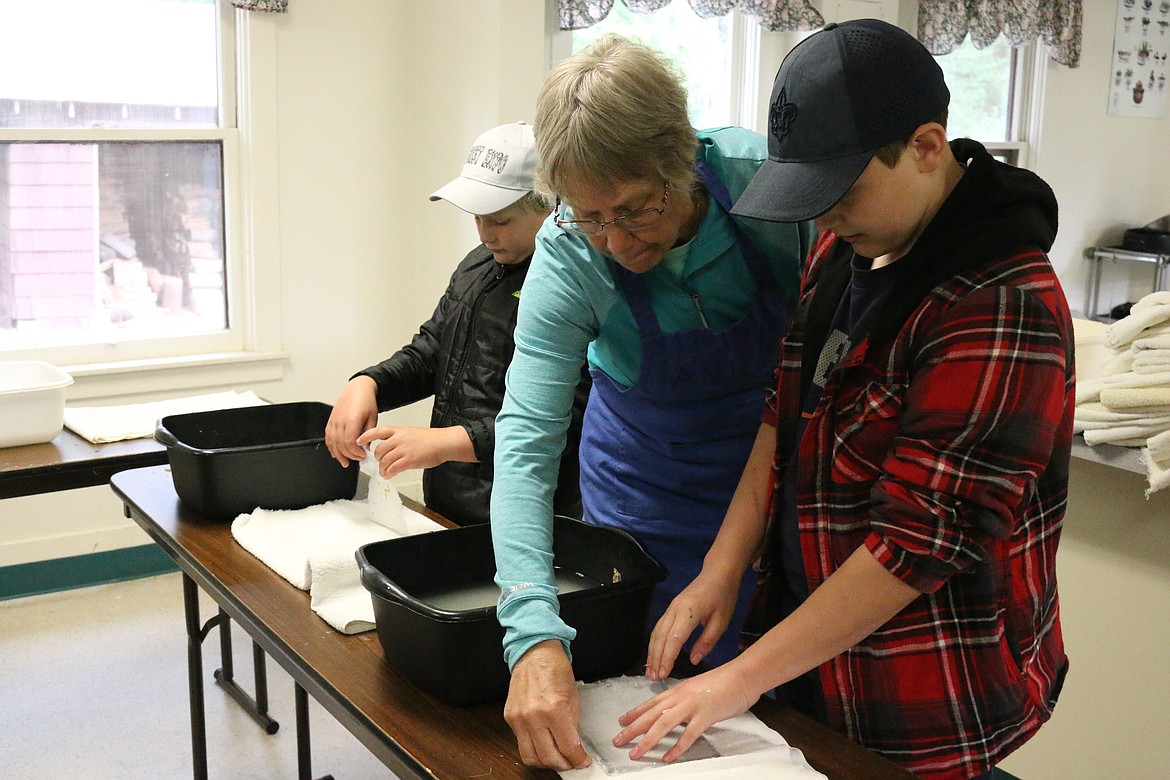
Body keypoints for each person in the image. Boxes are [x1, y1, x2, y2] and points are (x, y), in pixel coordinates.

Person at [614, 19, 1072, 780]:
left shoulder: (1001, 306)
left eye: (841, 192)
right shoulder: (850, 244)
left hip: (926, 685)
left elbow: (912, 547)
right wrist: (722, 569)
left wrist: (736, 678)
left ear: (927, 147)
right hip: (808, 655)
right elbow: (782, 415)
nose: (822, 217)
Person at [490, 35, 813, 771]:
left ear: (681, 161)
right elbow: (526, 442)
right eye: (587, 216)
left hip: (777, 482)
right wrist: (532, 632)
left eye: (632, 210)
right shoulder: (570, 256)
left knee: (781, 721)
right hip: (643, 500)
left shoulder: (769, 189)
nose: (613, 241)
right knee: (651, 717)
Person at [325, 121, 589, 527]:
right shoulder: (478, 265)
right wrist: (369, 383)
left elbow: (568, 415)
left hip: (529, 515)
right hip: (448, 501)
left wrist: (444, 444)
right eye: (477, 218)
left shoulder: (573, 285)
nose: (485, 234)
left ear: (550, 206)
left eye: (499, 221)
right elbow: (432, 351)